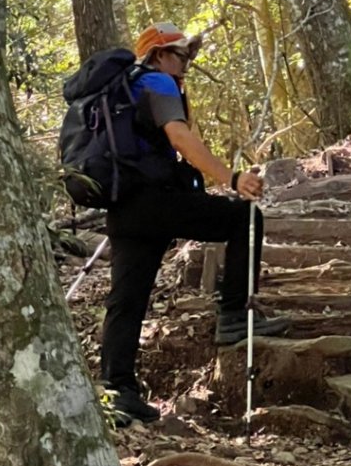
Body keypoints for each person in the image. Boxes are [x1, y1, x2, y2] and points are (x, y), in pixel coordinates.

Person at [100, 21, 290, 425]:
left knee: (127, 298)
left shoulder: (124, 90)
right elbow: (180, 139)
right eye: (181, 54)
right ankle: (235, 316)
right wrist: (232, 179)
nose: (187, 63)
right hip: (157, 201)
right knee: (245, 217)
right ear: (158, 55)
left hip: (124, 206)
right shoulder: (158, 83)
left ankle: (118, 391)